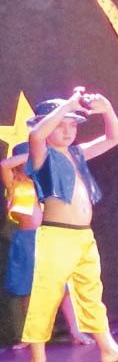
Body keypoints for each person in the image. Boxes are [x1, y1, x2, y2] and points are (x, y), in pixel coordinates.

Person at [20, 89, 118, 362]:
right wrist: (67, 105)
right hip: (57, 236)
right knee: (46, 295)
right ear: (49, 124)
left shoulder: (77, 153)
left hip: (83, 237)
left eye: (72, 125)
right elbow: (38, 135)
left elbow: (114, 138)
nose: (67, 131)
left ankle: (108, 347)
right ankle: (37, 360)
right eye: (61, 125)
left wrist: (108, 109)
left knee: (91, 293)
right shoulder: (42, 155)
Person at [2, 142, 92, 349]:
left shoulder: (45, 181)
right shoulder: (13, 183)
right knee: (28, 289)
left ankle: (75, 330)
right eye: (26, 161)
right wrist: (31, 155)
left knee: (62, 286)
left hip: (48, 237)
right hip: (25, 241)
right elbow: (4, 164)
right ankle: (30, 336)